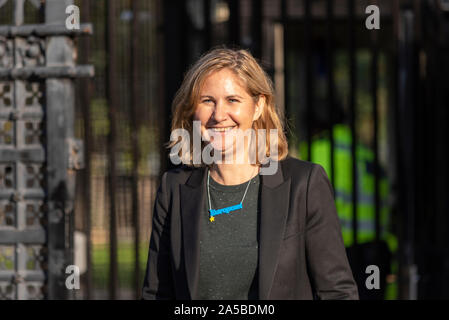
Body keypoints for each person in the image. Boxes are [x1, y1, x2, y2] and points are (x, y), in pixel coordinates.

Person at [141, 48, 359, 300]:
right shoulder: (174, 188)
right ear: (192, 110)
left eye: (232, 100)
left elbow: (337, 292)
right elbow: (157, 293)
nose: (219, 115)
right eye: (207, 100)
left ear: (258, 107)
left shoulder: (304, 185)